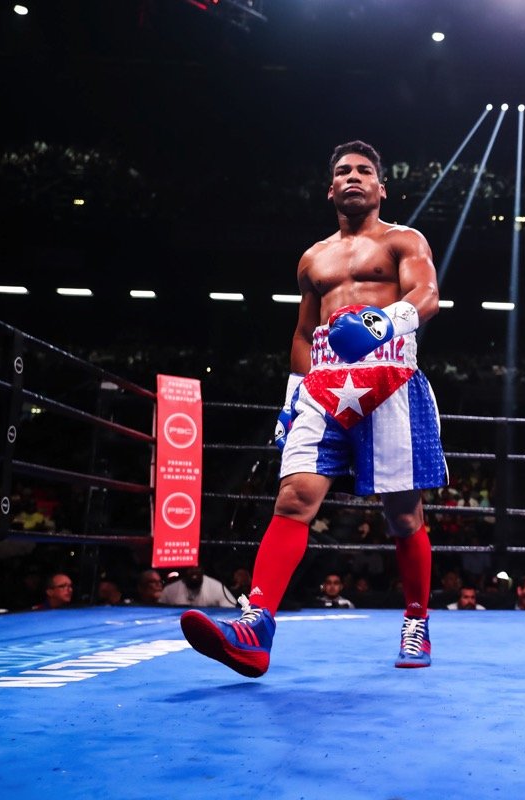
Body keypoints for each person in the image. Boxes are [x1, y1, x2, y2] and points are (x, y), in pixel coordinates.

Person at [180, 140, 447, 677]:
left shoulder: (403, 239)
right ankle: (256, 627)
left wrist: (379, 322)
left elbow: (428, 294)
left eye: (365, 171)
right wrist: (290, 399)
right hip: (323, 385)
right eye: (344, 171)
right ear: (330, 189)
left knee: (402, 515)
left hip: (390, 378)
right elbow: (303, 332)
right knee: (295, 496)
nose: (354, 176)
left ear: (380, 187)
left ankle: (416, 619)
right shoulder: (313, 258)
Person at [162, 565, 237, 608]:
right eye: (190, 568)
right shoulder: (170, 590)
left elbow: (231, 610)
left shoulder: (216, 587)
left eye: (197, 568)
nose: (194, 571)